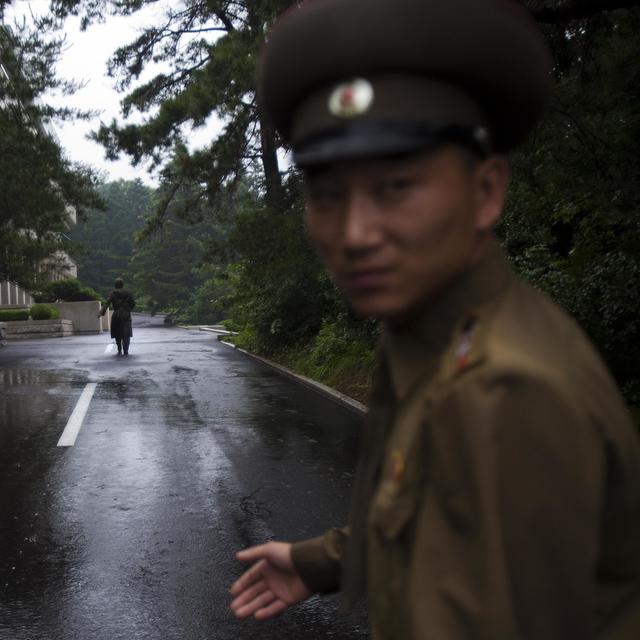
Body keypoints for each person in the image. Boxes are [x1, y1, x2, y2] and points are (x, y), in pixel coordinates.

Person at [229, 0, 640, 637]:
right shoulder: (435, 337)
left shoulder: (504, 395)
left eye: (396, 186)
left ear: (486, 191)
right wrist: (318, 563)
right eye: (327, 194)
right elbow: (428, 506)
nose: (356, 232)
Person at [99, 277, 135, 356]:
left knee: (117, 333)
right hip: (126, 314)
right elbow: (133, 303)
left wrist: (101, 313)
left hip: (116, 314)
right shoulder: (128, 293)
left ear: (115, 285)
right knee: (126, 334)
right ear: (122, 285)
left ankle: (119, 350)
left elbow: (107, 303)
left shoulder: (112, 293)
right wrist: (128, 309)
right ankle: (126, 351)